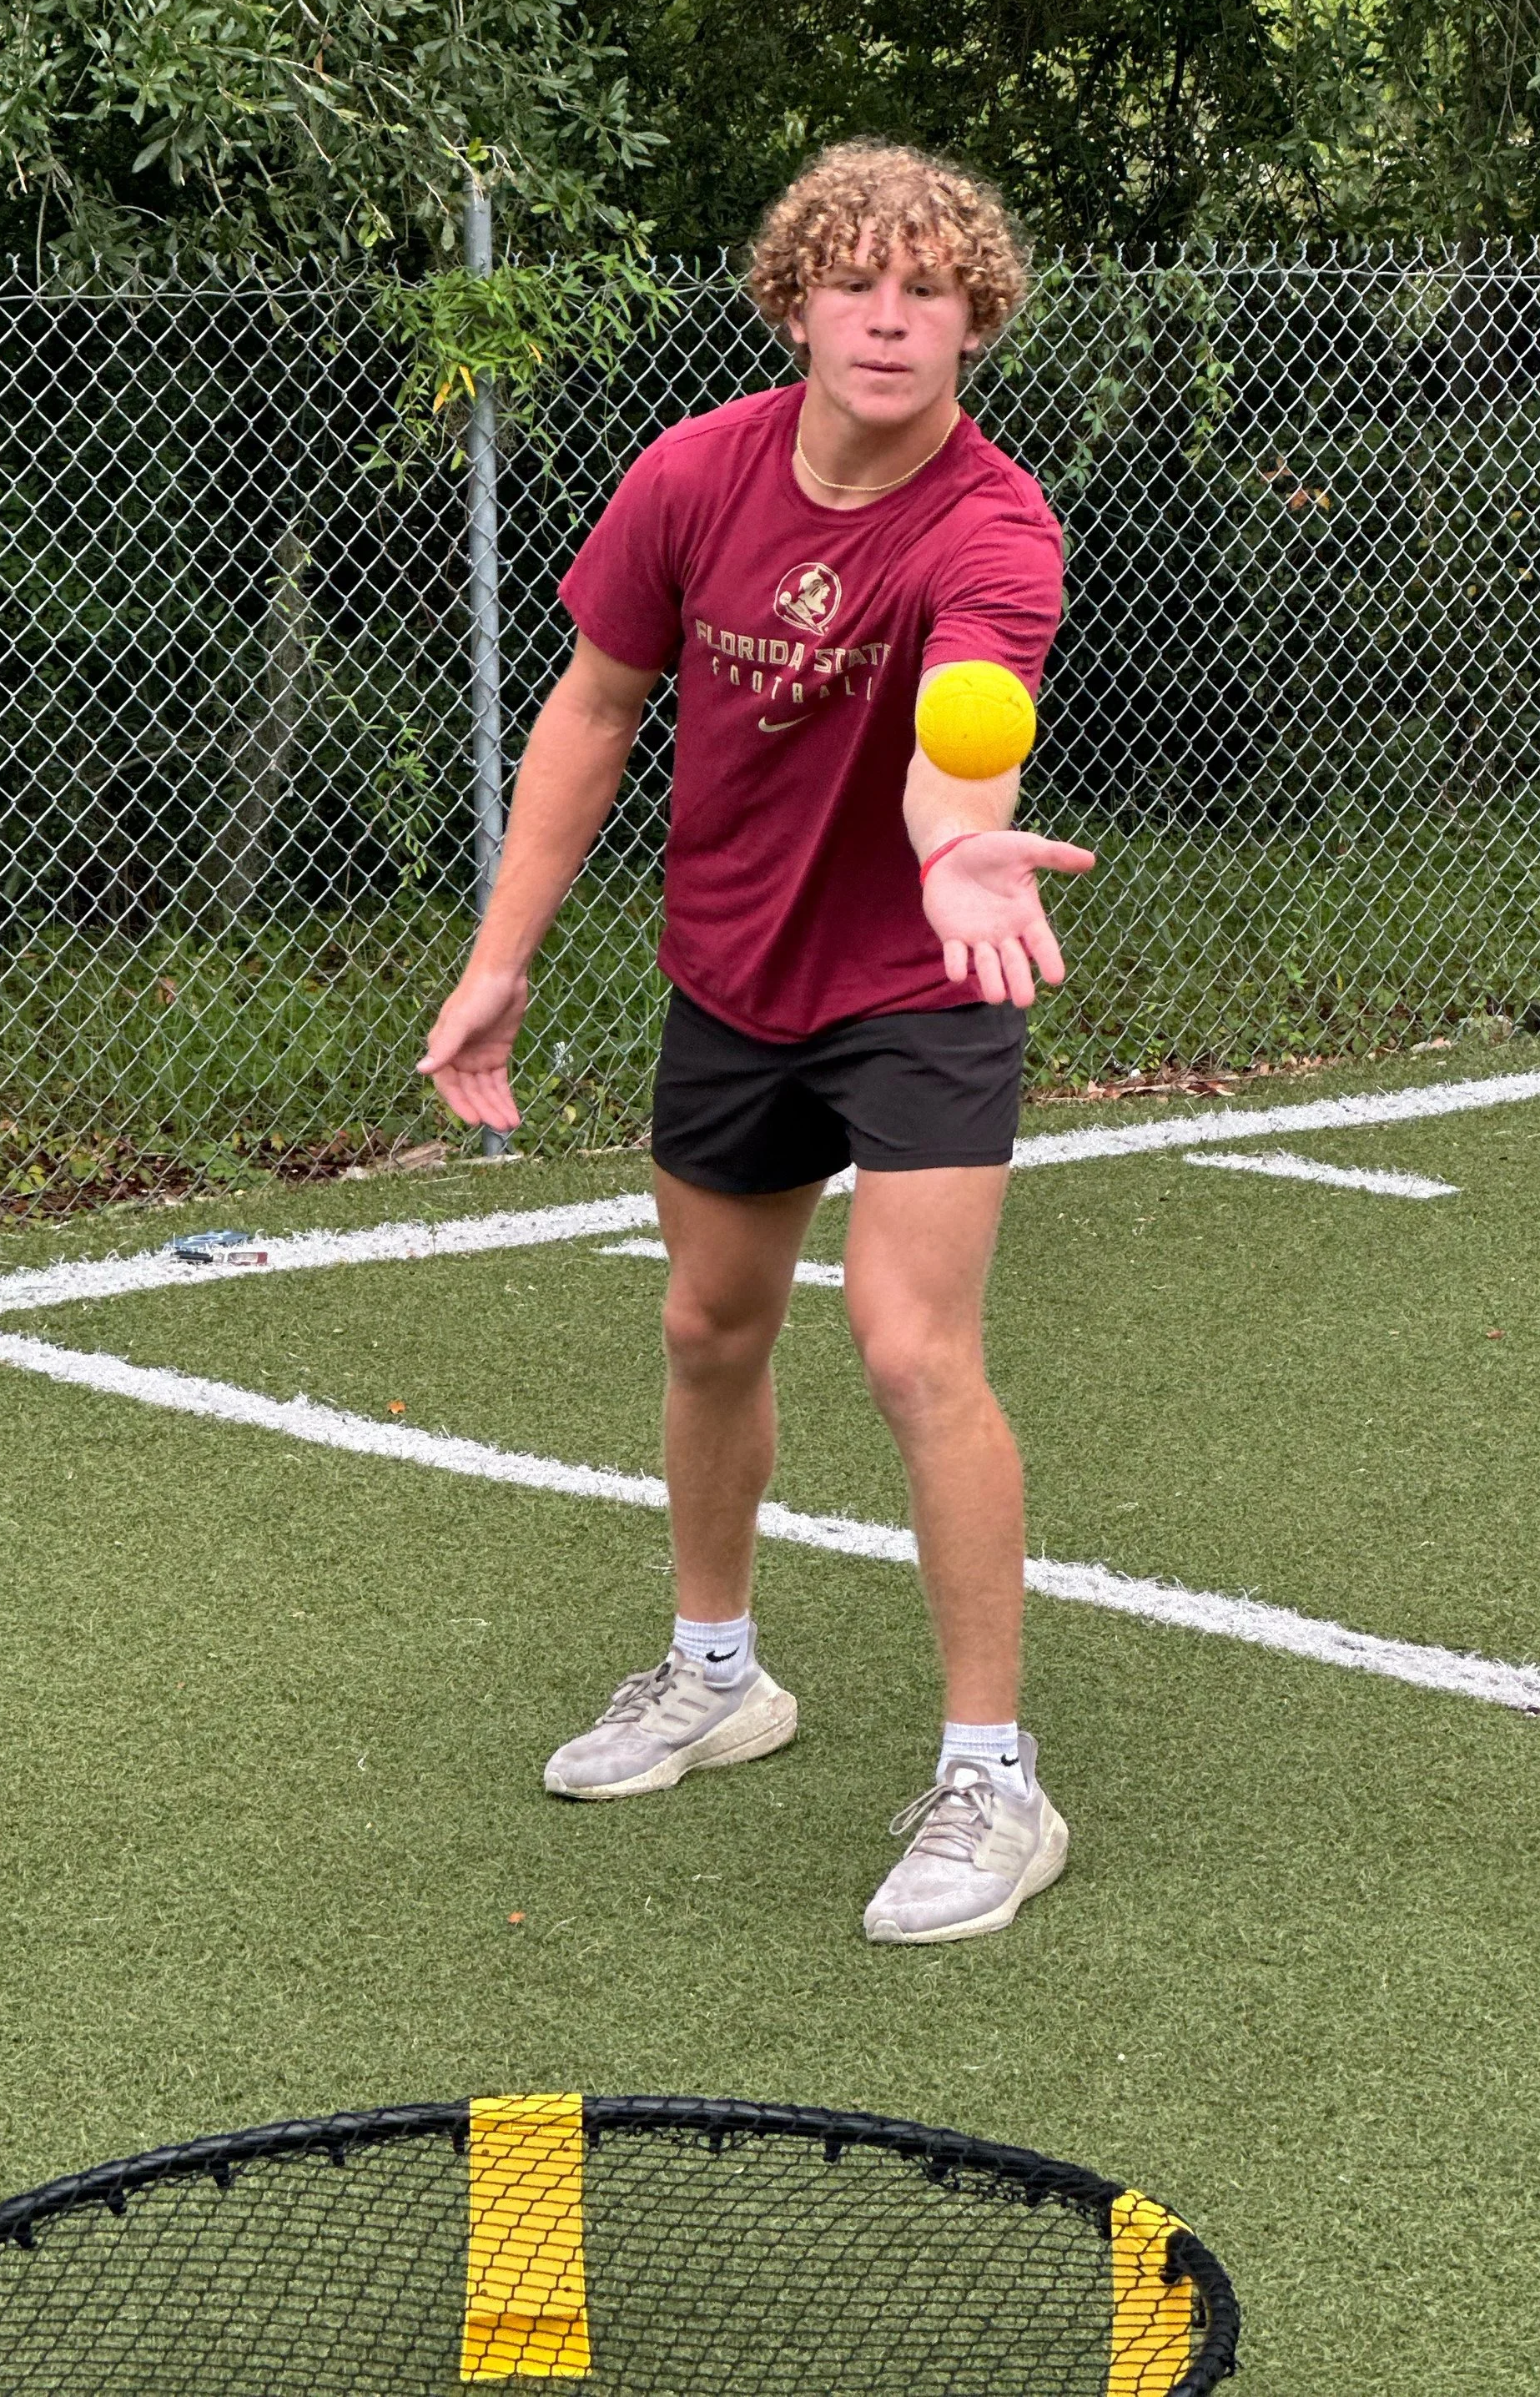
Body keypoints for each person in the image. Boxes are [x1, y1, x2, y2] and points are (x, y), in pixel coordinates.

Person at [420, 142, 1092, 1944]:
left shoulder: (991, 525)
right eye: (854, 280)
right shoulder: (690, 476)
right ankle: (716, 1672)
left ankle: (990, 1776)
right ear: (791, 299)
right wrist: (502, 959)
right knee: (707, 1325)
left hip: (920, 981)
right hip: (727, 972)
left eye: (929, 285)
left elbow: (970, 727)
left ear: (975, 316)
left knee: (907, 1348)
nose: (890, 315)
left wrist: (957, 852)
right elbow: (592, 706)